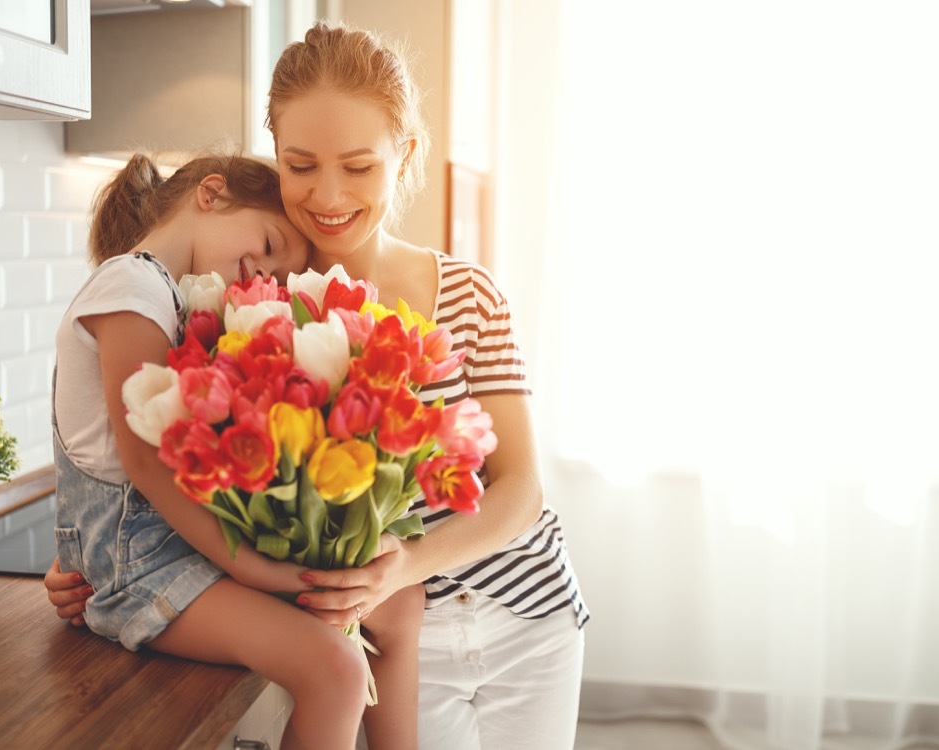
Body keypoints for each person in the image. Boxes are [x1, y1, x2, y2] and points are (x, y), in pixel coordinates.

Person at [48, 20, 590, 750]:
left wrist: (406, 566)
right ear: (275, 159)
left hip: (527, 616)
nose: (328, 193)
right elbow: (172, 460)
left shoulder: (469, 293)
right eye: (301, 164)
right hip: (396, 632)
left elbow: (521, 486)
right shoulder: (239, 309)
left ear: (405, 156)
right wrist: (85, 550)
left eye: (359, 166)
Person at [50, 151, 423, 750]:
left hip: (177, 550)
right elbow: (143, 463)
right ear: (211, 193)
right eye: (272, 241)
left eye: (278, 271)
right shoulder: (131, 283)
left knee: (400, 604)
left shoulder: (169, 294)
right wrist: (254, 568)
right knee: (337, 669)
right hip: (144, 565)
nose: (263, 272)